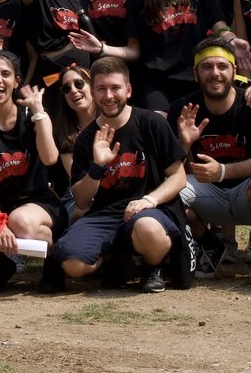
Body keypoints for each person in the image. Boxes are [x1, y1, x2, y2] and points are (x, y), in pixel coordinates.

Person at [52, 56, 188, 292]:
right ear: (93, 93)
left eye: (115, 88)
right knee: (72, 264)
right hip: (104, 214)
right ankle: (112, 258)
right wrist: (96, 168)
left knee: (148, 229)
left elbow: (179, 177)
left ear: (128, 89)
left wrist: (149, 200)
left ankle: (151, 267)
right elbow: (82, 201)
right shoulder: (86, 139)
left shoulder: (151, 123)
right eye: (101, 89)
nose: (108, 96)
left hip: (150, 211)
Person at [0, 56, 62, 292]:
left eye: (5, 74)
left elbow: (50, 158)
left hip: (37, 203)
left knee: (21, 222)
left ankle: (54, 259)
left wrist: (38, 112)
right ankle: (1, 266)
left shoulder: (33, 117)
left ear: (16, 82)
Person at [173, 44, 251, 279]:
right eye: (207, 67)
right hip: (209, 197)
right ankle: (209, 244)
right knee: (172, 192)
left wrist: (223, 171)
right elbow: (175, 169)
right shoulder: (183, 108)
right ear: (195, 73)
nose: (215, 73)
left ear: (234, 70)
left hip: (247, 194)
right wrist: (184, 144)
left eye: (222, 66)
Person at [123, 0, 237, 114]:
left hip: (195, 80)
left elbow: (220, 27)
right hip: (157, 84)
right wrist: (102, 49)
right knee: (159, 126)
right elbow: (133, 47)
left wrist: (232, 40)